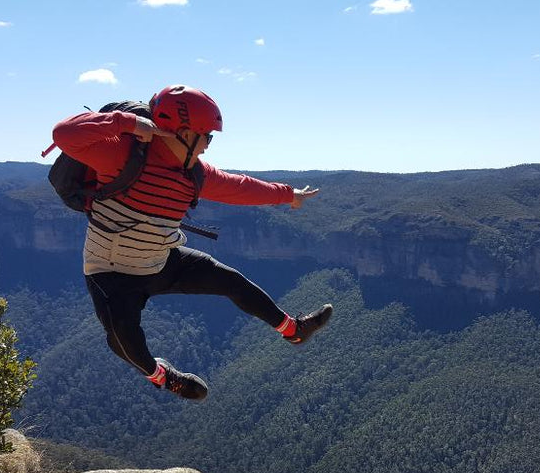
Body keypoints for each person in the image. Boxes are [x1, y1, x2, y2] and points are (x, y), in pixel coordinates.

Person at [51, 85, 332, 401]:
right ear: (181, 133)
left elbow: (240, 187)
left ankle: (293, 331)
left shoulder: (195, 174)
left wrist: (287, 195)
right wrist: (126, 123)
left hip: (162, 260)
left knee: (231, 281)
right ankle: (164, 377)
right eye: (206, 136)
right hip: (111, 275)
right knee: (123, 340)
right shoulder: (120, 155)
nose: (208, 146)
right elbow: (64, 134)